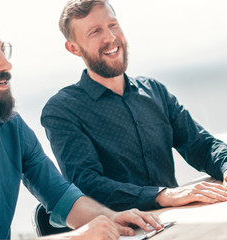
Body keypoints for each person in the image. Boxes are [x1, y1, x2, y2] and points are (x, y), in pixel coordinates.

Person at [0, 7, 163, 240]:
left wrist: (113, 218)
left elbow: (61, 197)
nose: (7, 65)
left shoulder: (11, 126)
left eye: (2, 51)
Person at [41, 0, 227, 212]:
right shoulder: (63, 110)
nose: (110, 38)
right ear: (74, 48)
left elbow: (200, 145)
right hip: (122, 230)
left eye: (113, 25)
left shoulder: (154, 91)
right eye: (95, 32)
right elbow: (87, 185)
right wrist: (162, 195)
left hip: (176, 220)